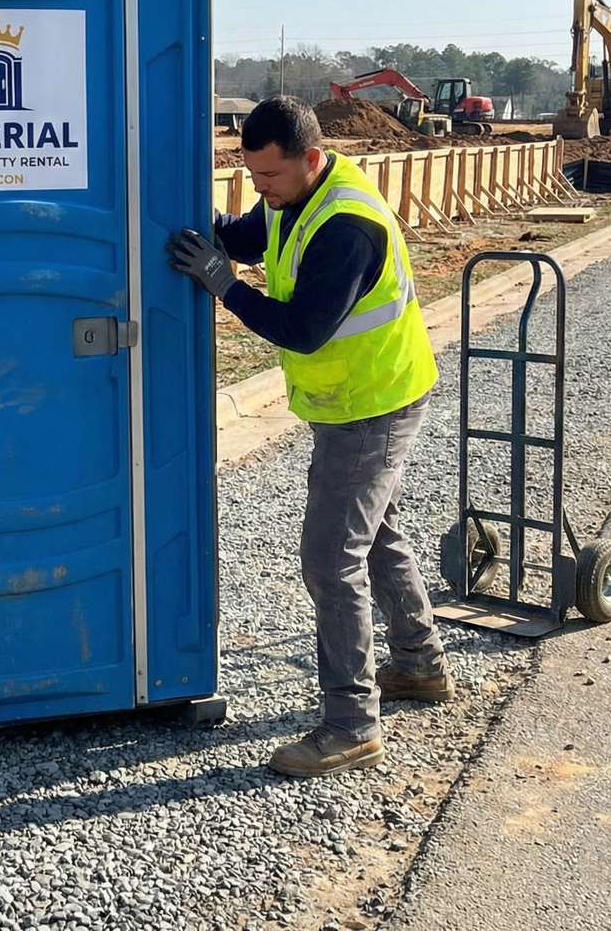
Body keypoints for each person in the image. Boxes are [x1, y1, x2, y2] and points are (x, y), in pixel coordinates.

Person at [168, 95, 452, 778]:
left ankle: (351, 724)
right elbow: (249, 233)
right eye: (253, 176)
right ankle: (419, 665)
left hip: (373, 403)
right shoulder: (297, 195)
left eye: (269, 178)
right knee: (376, 534)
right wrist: (199, 232)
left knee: (330, 560)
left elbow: (301, 328)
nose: (260, 190)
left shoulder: (345, 227)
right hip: (353, 398)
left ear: (312, 160)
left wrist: (224, 288)